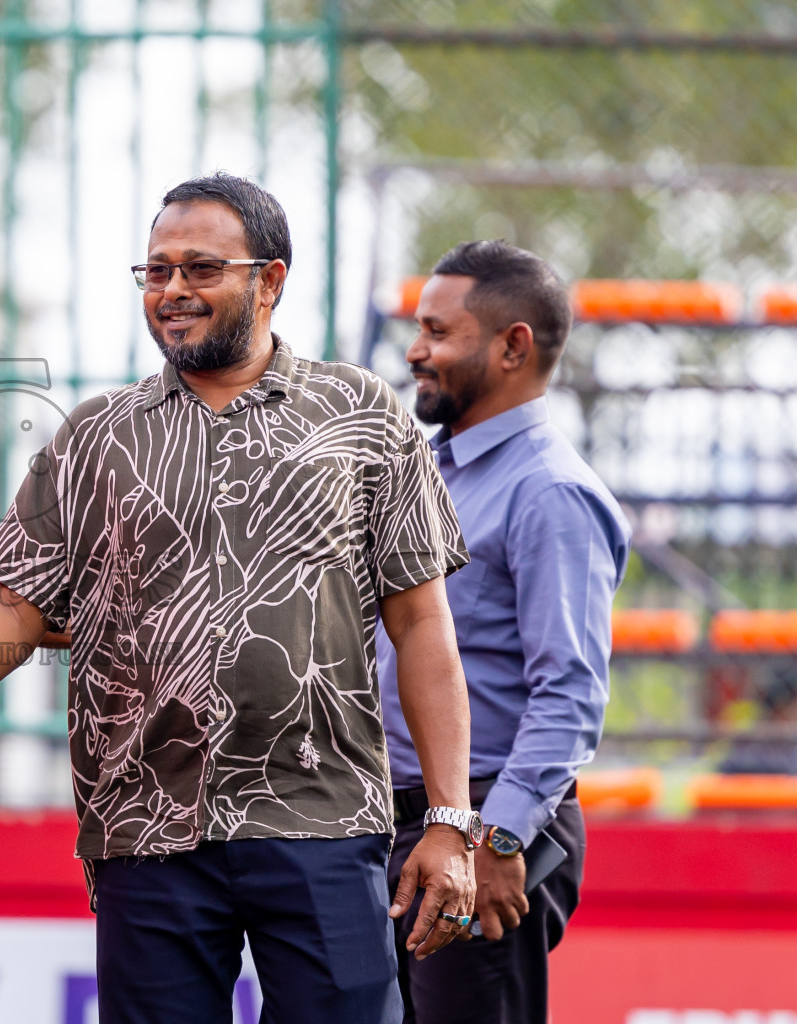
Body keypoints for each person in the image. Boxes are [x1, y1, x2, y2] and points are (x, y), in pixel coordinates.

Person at [0, 172, 480, 1023]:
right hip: (147, 829)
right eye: (156, 270)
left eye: (202, 269)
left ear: (270, 280)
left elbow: (424, 623)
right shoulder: (96, 437)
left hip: (320, 818)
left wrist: (449, 819)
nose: (172, 289)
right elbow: (13, 611)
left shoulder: (362, 415)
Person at [378, 240, 630, 1024]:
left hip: (483, 831)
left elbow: (571, 694)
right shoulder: (426, 471)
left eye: (438, 331)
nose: (416, 351)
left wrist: (500, 841)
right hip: (398, 823)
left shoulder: (550, 492)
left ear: (512, 346)